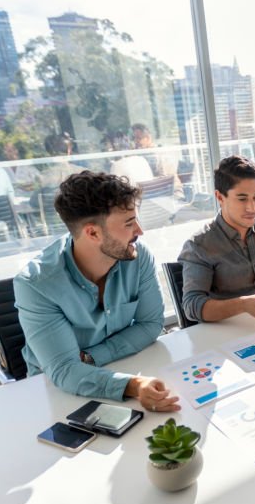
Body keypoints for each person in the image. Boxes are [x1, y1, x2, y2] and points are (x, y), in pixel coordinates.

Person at [14, 171, 179, 411]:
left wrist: (92, 358)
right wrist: (133, 385)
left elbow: (151, 324)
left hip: (125, 365)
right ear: (93, 233)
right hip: (55, 390)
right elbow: (65, 370)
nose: (140, 231)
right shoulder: (36, 285)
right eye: (129, 223)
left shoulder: (138, 256)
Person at [178, 155, 255, 323]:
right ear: (220, 197)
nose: (252, 208)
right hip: (225, 332)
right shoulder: (199, 246)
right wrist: (243, 305)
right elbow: (192, 306)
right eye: (242, 199)